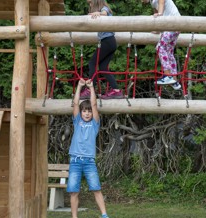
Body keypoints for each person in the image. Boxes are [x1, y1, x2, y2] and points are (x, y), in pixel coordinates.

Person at [67, 78, 109, 218]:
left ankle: (104, 215)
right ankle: (74, 217)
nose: (87, 113)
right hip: (75, 161)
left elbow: (94, 104)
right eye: (84, 111)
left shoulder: (95, 124)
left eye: (89, 111)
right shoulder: (77, 120)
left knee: (96, 188)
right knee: (74, 191)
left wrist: (91, 88)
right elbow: (75, 103)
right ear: (81, 112)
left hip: (89, 161)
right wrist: (79, 86)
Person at [80, 0, 123, 100]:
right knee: (103, 67)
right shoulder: (102, 10)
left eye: (91, 4)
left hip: (107, 41)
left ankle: (90, 90)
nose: (90, 6)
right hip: (111, 42)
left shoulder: (104, 9)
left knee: (92, 63)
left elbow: (104, 13)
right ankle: (116, 91)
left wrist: (98, 13)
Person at [141, 0, 182, 90]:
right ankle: (174, 80)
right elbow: (158, 14)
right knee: (169, 52)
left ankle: (168, 76)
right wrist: (157, 29)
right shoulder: (153, 2)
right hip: (176, 26)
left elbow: (161, 4)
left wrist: (159, 14)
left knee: (160, 48)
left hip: (173, 24)